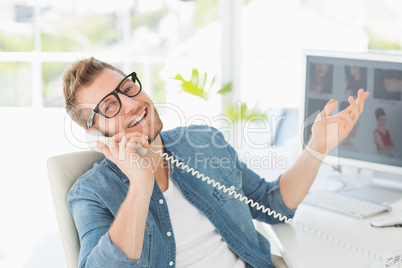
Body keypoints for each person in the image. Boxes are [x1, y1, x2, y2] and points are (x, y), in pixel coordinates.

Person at [62, 57, 369, 268]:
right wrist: (141, 184)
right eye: (111, 106)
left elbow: (272, 204)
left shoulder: (204, 142)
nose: (131, 104)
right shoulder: (91, 193)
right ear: (94, 130)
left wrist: (317, 147)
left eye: (128, 88)